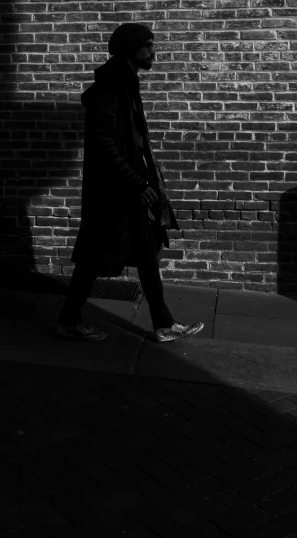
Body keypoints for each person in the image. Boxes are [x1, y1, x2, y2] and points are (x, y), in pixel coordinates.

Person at [56, 22, 204, 343]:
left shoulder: (126, 84)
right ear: (130, 49)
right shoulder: (108, 90)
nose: (154, 51)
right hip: (114, 195)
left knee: (148, 255)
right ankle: (68, 320)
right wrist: (138, 185)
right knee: (96, 258)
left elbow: (132, 142)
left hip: (130, 193)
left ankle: (163, 324)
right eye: (148, 45)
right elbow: (104, 148)